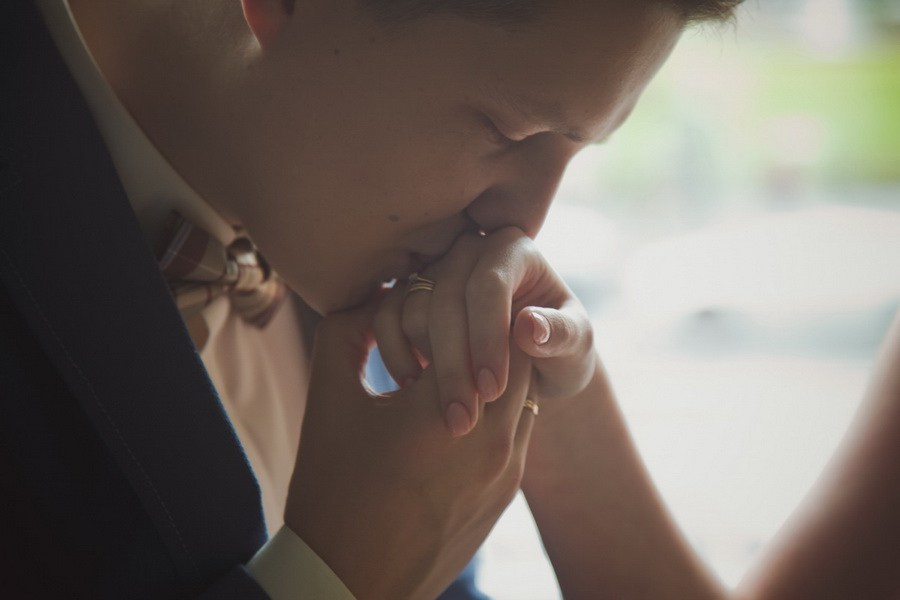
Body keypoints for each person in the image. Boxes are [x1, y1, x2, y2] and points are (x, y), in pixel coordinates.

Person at [0, 0, 753, 598]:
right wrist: (337, 579)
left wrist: (547, 393)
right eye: (505, 128)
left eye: (574, 151)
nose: (525, 225)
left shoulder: (353, 243)